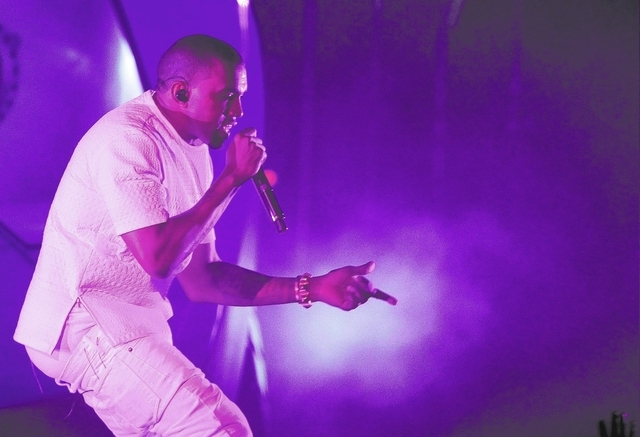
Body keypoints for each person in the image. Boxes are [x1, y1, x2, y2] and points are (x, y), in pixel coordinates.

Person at [13, 34, 387, 436]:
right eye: (227, 97)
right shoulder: (129, 139)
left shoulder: (194, 152)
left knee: (221, 427)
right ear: (180, 92)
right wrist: (231, 179)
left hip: (124, 329)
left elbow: (204, 279)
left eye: (240, 97)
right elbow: (159, 259)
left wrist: (311, 288)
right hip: (86, 324)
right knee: (220, 429)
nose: (238, 111)